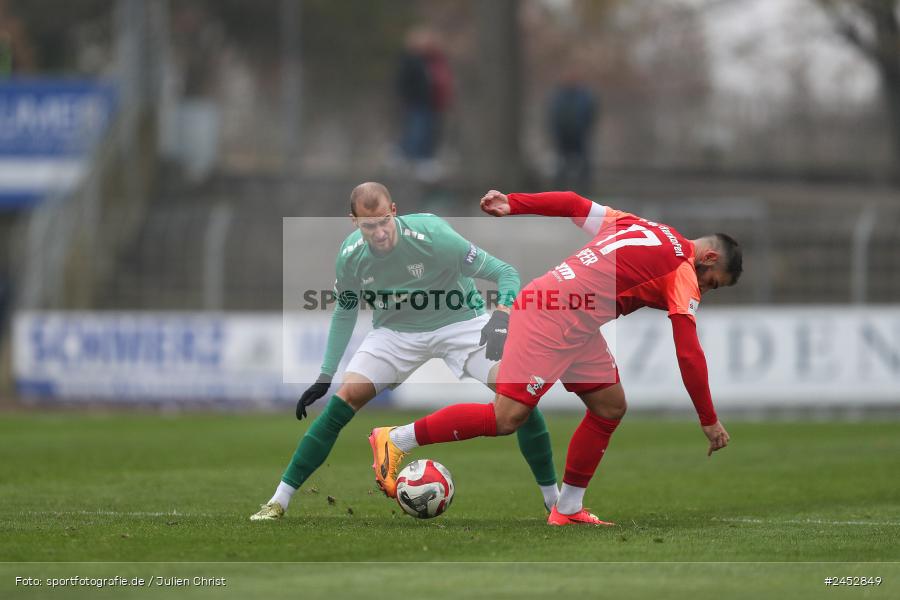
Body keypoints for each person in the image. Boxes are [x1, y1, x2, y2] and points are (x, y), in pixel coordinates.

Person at [371, 189, 742, 526]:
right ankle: (398, 438)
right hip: (553, 316)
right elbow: (688, 351)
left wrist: (514, 203)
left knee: (609, 406)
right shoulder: (682, 271)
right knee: (507, 417)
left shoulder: (644, 225)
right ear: (708, 258)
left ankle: (567, 509)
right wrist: (708, 419)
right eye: (711, 283)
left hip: (575, 318)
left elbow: (572, 203)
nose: (704, 291)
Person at [250, 182, 559, 520]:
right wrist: (326, 373)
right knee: (344, 400)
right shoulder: (351, 256)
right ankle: (278, 501)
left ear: (394, 211)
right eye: (369, 225)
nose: (379, 232)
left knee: (519, 399)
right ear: (353, 221)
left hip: (460, 324)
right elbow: (345, 310)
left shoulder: (434, 236)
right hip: (396, 333)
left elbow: (505, 272)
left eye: (384, 221)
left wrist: (501, 317)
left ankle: (553, 501)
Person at [548, 66, 598, 193]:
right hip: (563, 135)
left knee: (583, 163)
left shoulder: (585, 96)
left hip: (580, 134)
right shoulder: (559, 96)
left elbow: (591, 113)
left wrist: (585, 128)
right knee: (561, 163)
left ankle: (585, 188)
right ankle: (559, 188)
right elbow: (553, 115)